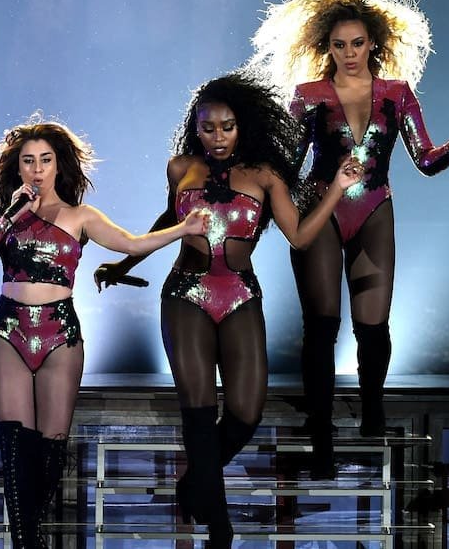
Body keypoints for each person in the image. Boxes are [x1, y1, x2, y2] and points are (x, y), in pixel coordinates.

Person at [94, 71, 362, 546]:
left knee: (245, 412)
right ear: (195, 128)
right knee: (197, 412)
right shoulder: (181, 169)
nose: (217, 137)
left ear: (243, 126)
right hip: (186, 294)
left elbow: (299, 235)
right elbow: (167, 222)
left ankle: (194, 484)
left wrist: (338, 187)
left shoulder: (266, 175)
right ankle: (220, 528)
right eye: (208, 127)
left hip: (239, 294)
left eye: (227, 126)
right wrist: (122, 262)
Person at [246, 0, 449, 477]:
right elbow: (288, 164)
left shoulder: (398, 92)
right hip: (321, 208)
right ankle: (321, 430)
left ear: (373, 42)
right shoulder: (308, 94)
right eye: (338, 46)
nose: (349, 53)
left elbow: (423, 157)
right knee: (323, 324)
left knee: (373, 325)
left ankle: (372, 410)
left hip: (375, 207)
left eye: (357, 44)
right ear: (325, 48)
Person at [0, 117, 209, 548]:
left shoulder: (80, 216)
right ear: (17, 168)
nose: (37, 169)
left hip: (60, 333)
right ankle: (26, 543)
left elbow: (131, 243)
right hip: (9, 331)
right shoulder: (5, 216)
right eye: (28, 161)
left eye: (45, 160)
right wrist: (8, 215)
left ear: (59, 165)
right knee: (15, 450)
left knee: (51, 453)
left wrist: (183, 230)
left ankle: (29, 536)